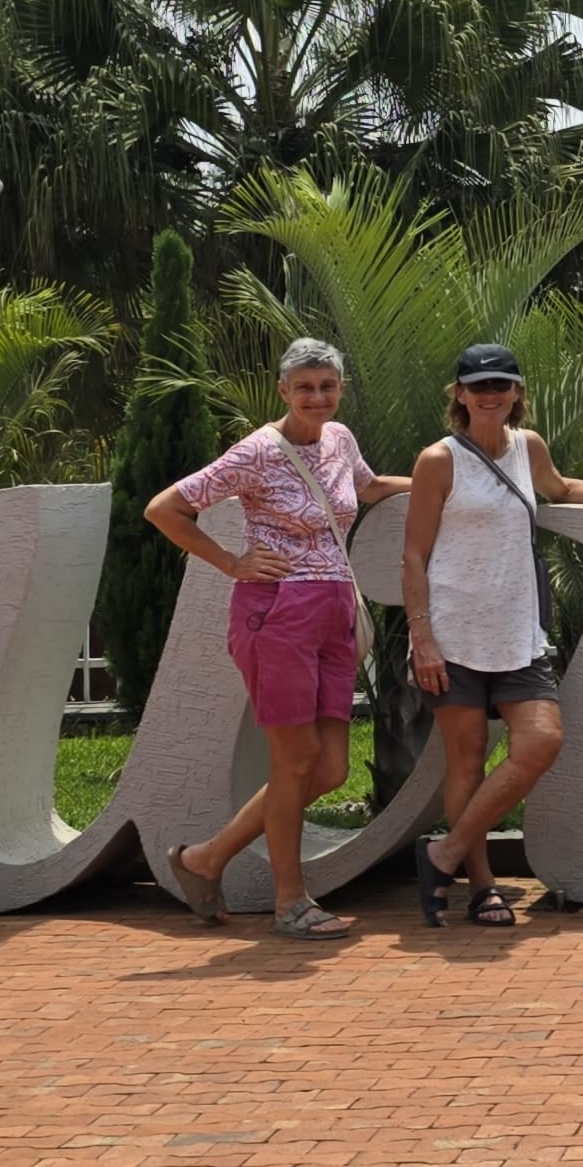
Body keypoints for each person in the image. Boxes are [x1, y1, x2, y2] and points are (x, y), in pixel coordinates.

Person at [148, 337, 410, 941]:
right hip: (278, 614)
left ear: (340, 389)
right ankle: (289, 902)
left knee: (330, 769)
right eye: (305, 387)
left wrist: (439, 481)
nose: (317, 397)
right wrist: (231, 562)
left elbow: (367, 489)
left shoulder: (340, 439)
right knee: (294, 764)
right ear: (283, 391)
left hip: (336, 613)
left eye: (327, 386)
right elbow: (165, 509)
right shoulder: (257, 452)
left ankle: (205, 859)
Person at [401, 340, 583, 927]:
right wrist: (421, 638)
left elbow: (562, 490)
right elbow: (412, 554)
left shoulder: (528, 447)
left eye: (501, 385)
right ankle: (482, 887)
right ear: (459, 394)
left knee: (541, 741)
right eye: (478, 386)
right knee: (467, 758)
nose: (490, 395)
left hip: (517, 629)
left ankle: (443, 854)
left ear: (517, 392)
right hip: (452, 633)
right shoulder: (438, 459)